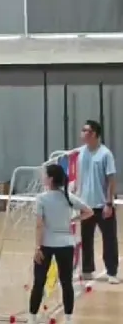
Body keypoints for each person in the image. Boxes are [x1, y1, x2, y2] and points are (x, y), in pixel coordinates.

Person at [29, 163, 93, 322]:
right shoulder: (68, 196)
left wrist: (37, 247)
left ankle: (32, 317)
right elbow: (89, 211)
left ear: (50, 179)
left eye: (45, 175)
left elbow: (39, 225)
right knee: (66, 282)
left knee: (39, 282)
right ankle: (69, 318)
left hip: (46, 244)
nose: (43, 177)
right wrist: (74, 219)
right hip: (66, 245)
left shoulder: (41, 198)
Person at [77, 119, 119, 284]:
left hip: (102, 205)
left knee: (109, 239)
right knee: (86, 239)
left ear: (93, 133)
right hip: (85, 205)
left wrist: (109, 203)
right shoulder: (81, 153)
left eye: (85, 130)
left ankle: (112, 272)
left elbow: (111, 180)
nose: (82, 133)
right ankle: (87, 270)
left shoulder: (105, 154)